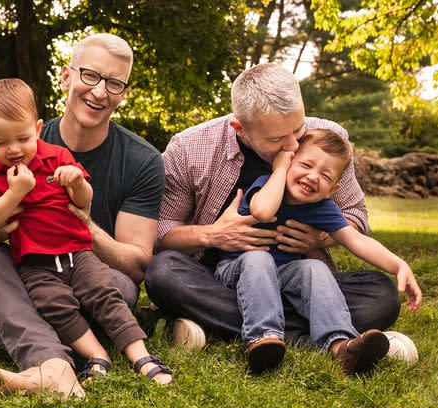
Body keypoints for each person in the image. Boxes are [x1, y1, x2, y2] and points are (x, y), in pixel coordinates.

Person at [0, 33, 166, 398]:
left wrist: (84, 224)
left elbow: (137, 266)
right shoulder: (15, 144)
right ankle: (53, 366)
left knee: (119, 290)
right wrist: (0, 227)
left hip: (89, 270)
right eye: (90, 75)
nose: (100, 91)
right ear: (66, 76)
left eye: (114, 83)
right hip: (32, 269)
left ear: (123, 93)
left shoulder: (143, 161)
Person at [145, 63, 405, 355]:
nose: (293, 145)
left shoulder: (327, 141)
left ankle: (224, 328)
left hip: (300, 283)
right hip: (222, 281)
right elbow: (160, 233)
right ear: (240, 127)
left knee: (382, 295)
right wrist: (213, 235)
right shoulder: (188, 148)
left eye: (298, 128)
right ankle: (316, 338)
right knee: (163, 272)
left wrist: (321, 238)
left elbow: (356, 215)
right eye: (276, 139)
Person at [0, 78, 172, 385]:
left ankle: (141, 355)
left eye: (23, 138)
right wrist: (14, 194)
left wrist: (77, 182)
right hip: (35, 263)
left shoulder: (57, 156)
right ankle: (97, 355)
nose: (13, 150)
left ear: (38, 129)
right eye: (0, 143)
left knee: (104, 293)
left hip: (77, 252)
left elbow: (84, 201)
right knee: (55, 308)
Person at [214, 128, 422, 373]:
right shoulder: (266, 186)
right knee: (259, 259)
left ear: (332, 189)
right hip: (236, 272)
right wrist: (280, 169)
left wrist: (399, 265)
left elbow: (356, 240)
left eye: (325, 175)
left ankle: (341, 346)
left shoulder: (322, 207)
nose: (313, 177)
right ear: (289, 162)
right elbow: (263, 212)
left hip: (283, 277)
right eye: (306, 165)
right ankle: (264, 338)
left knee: (313, 267)